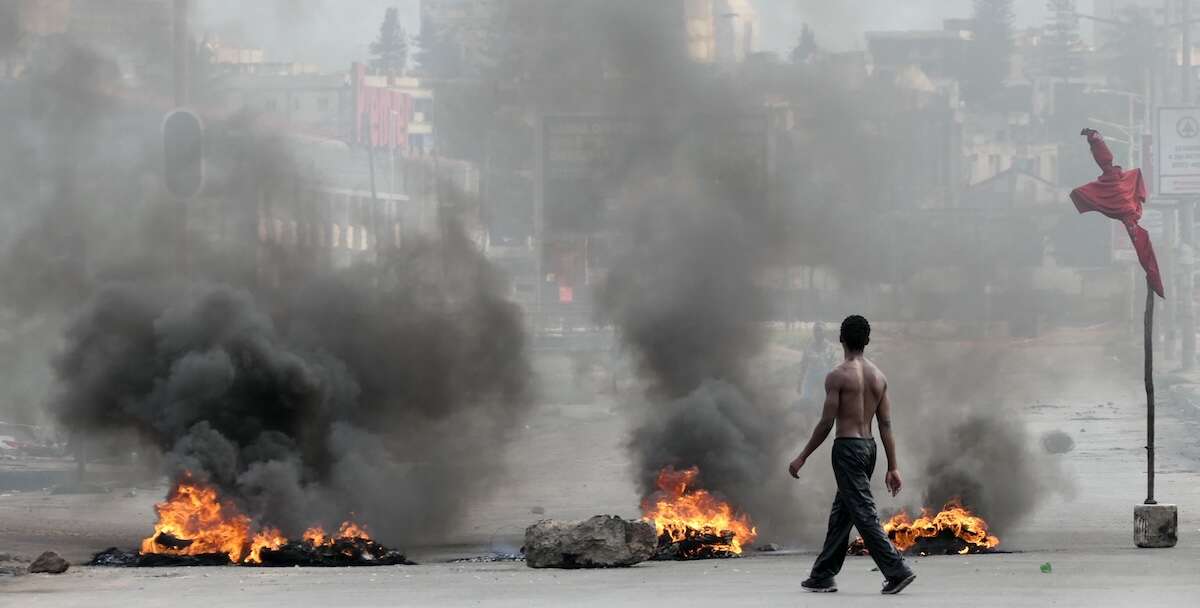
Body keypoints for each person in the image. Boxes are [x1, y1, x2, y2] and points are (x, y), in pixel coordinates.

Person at [788, 315, 916, 595]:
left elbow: (826, 423)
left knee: (862, 511)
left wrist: (803, 456)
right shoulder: (878, 377)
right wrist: (892, 466)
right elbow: (885, 425)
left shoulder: (837, 375)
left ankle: (897, 571)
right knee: (843, 511)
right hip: (869, 449)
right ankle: (822, 574)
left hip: (847, 448)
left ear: (841, 339)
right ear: (867, 341)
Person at [797, 323, 839, 403]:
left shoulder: (830, 347)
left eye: (820, 330)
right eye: (816, 331)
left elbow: (834, 365)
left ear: (825, 332)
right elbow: (803, 366)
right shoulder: (808, 347)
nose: (818, 333)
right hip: (811, 374)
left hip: (825, 373)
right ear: (813, 333)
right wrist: (799, 382)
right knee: (806, 399)